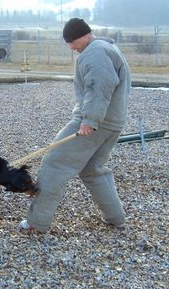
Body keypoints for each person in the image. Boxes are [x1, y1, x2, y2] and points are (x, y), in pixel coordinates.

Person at [19, 18, 131, 233]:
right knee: (93, 170)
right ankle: (115, 217)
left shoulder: (95, 52)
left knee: (54, 162)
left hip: (96, 121)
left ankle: (36, 223)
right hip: (112, 122)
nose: (71, 47)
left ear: (85, 35)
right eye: (67, 42)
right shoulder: (106, 48)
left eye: (72, 41)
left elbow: (100, 85)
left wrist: (90, 120)